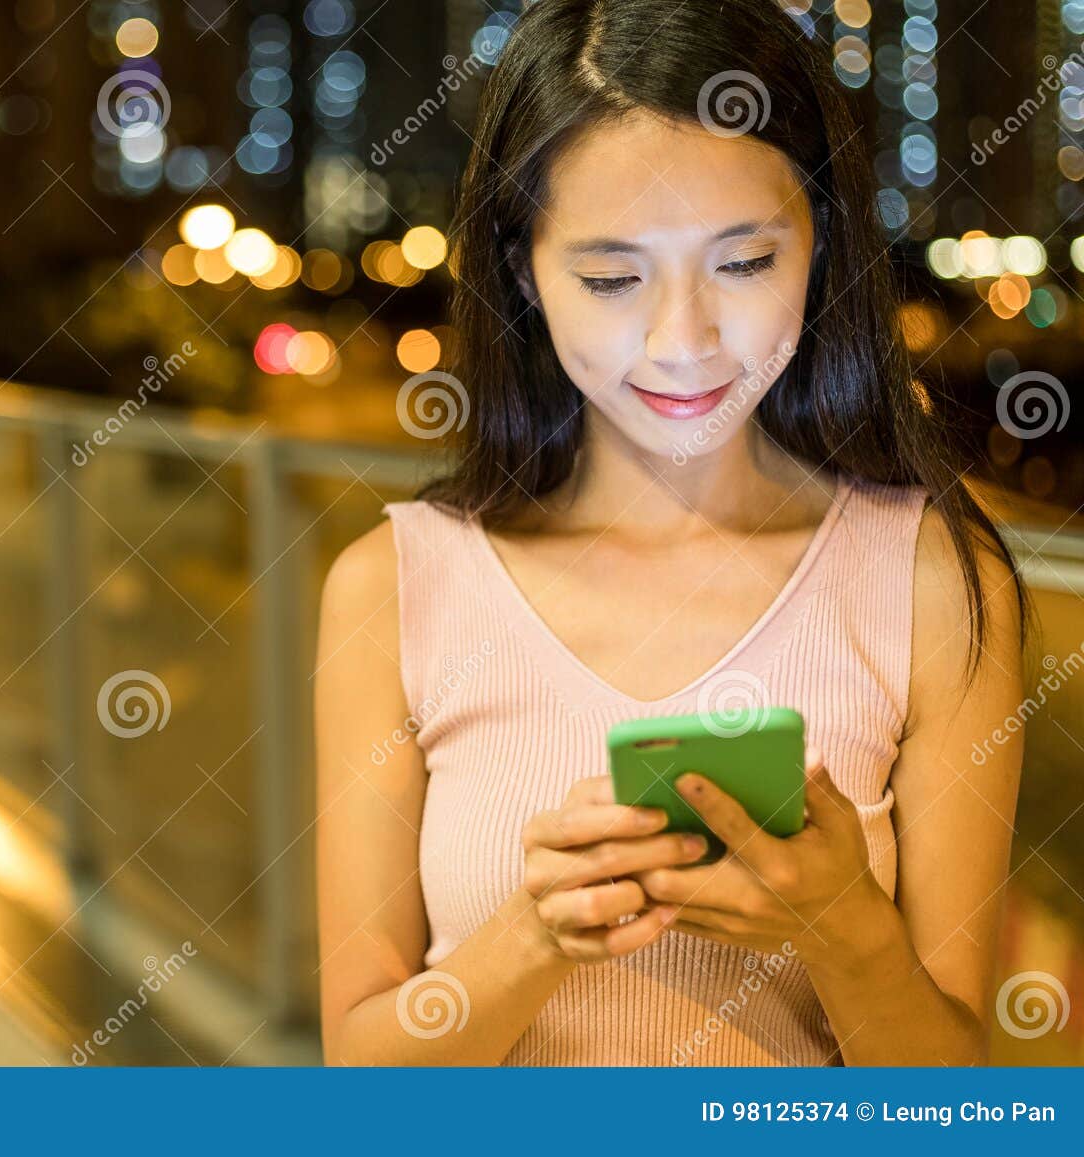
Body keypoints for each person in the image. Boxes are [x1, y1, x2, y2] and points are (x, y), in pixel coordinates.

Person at [314, 0, 1031, 1066]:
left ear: (820, 244)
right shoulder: (396, 585)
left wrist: (846, 935)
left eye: (742, 264)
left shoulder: (930, 575)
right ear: (523, 272)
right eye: (611, 279)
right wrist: (534, 933)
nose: (684, 342)